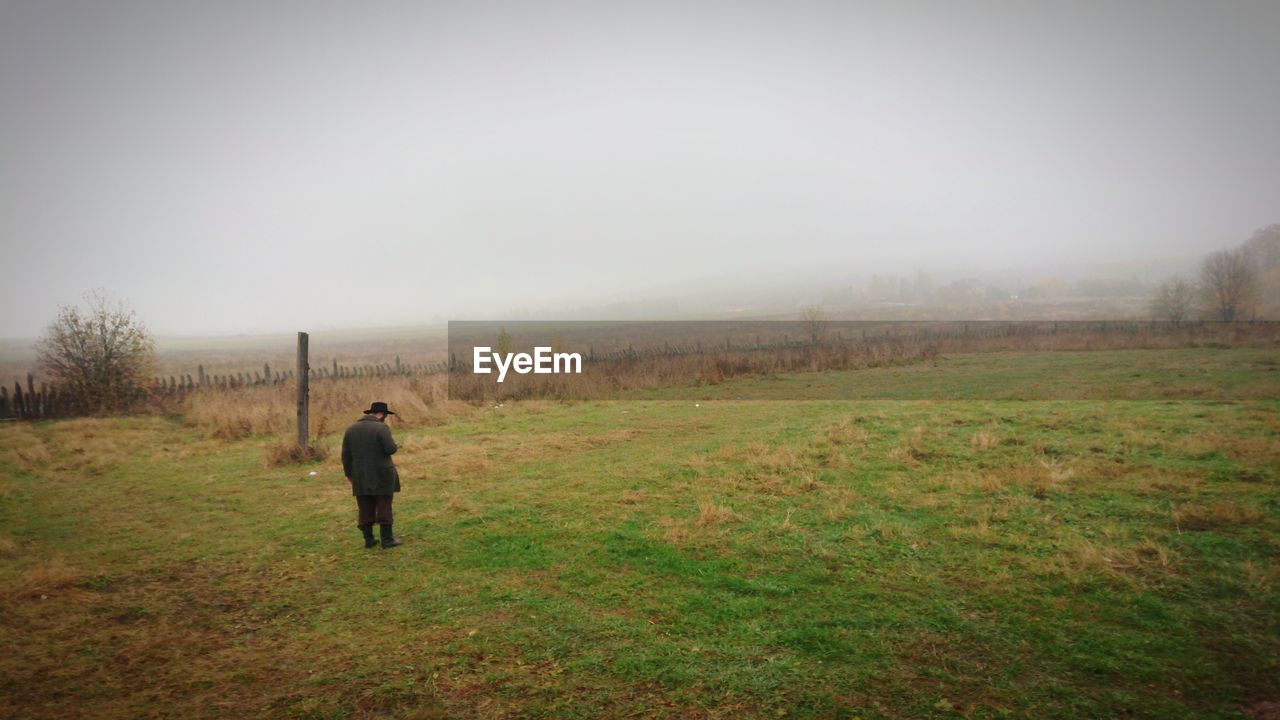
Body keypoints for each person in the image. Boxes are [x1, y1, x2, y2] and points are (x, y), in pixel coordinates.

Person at [341, 401, 403, 548]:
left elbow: (345, 455)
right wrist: (396, 445)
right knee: (384, 504)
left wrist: (349, 474)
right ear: (381, 415)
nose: (385, 418)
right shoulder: (381, 428)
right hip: (382, 474)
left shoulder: (351, 429)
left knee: (365, 505)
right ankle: (387, 539)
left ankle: (368, 540)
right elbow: (390, 449)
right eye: (385, 416)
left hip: (360, 475)